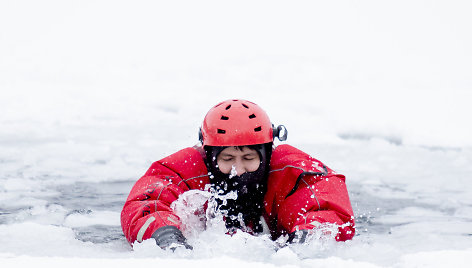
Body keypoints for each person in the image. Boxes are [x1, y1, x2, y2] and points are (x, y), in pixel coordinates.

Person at [121, 99, 355, 250]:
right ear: (209, 154)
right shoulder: (185, 169)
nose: (238, 170)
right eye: (227, 159)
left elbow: (326, 207)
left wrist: (304, 243)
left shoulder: (291, 170)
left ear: (267, 153)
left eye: (249, 158)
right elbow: (147, 202)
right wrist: (166, 236)